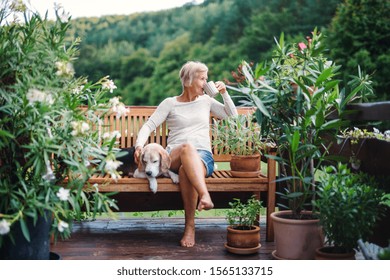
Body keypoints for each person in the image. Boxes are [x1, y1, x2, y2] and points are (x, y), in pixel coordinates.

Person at [134, 61, 238, 247]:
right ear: (189, 80)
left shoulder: (206, 101)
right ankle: (205, 195)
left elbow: (232, 116)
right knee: (186, 148)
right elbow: (149, 125)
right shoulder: (170, 103)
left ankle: (190, 228)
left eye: (207, 79)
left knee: (185, 171)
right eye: (202, 79)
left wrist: (224, 93)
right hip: (172, 156)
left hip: (203, 157)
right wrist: (139, 146)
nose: (206, 83)